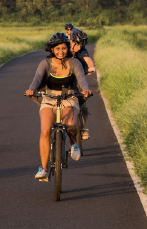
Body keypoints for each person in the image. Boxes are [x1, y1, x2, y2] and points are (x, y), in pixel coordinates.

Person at [25, 32, 91, 181]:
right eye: (57, 49)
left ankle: (73, 143)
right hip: (49, 98)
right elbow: (37, 78)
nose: (61, 52)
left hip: (69, 97)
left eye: (63, 48)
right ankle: (44, 169)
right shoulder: (46, 63)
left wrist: (85, 89)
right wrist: (31, 89)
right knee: (45, 130)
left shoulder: (74, 63)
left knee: (71, 125)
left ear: (68, 48)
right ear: (52, 50)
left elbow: (81, 79)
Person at [69, 29, 95, 140]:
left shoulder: (82, 50)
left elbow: (88, 59)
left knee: (83, 106)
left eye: (82, 45)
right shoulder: (64, 49)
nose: (79, 47)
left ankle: (83, 128)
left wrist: (91, 67)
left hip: (79, 78)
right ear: (71, 40)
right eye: (78, 45)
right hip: (65, 78)